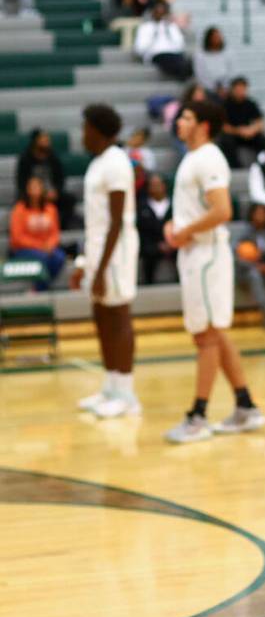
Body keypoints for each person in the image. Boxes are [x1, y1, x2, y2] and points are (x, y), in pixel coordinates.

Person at [163, 100, 265, 443]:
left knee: (206, 336)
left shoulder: (209, 157)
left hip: (206, 256)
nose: (179, 121)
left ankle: (197, 416)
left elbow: (222, 210)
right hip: (196, 253)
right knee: (215, 334)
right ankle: (246, 406)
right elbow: (196, 209)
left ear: (204, 125)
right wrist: (175, 226)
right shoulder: (194, 158)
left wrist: (185, 231)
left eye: (187, 117)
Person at [70, 105, 141, 420]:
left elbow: (116, 222)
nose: (83, 134)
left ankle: (127, 394)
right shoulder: (98, 163)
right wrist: (85, 262)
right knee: (100, 316)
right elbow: (95, 224)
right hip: (99, 250)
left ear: (98, 130)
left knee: (118, 317)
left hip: (117, 252)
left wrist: (100, 270)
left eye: (85, 128)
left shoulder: (116, 163)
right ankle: (110, 386)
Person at [9, 176, 64, 291]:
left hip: (47, 248)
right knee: (42, 258)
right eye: (32, 187)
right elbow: (17, 238)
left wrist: (50, 244)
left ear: (42, 189)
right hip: (23, 249)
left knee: (59, 257)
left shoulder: (51, 209)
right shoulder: (19, 209)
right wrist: (40, 246)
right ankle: (41, 289)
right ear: (27, 190)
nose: (35, 190)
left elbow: (55, 234)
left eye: (37, 186)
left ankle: (38, 288)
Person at [16, 128, 77, 230]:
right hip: (32, 193)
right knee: (20, 203)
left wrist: (56, 191)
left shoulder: (53, 157)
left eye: (47, 139)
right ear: (35, 141)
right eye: (43, 139)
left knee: (70, 200)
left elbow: (60, 179)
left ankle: (60, 227)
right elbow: (21, 181)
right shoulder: (25, 158)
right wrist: (33, 193)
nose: (47, 141)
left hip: (50, 193)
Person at [133, 2, 193, 81]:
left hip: (174, 53)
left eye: (162, 12)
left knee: (183, 59)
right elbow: (139, 49)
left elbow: (180, 45)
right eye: (157, 12)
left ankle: (183, 71)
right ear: (152, 12)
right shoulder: (145, 27)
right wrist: (153, 37)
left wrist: (169, 33)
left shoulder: (171, 27)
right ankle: (182, 73)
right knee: (170, 60)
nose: (160, 15)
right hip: (157, 54)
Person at [136, 173, 176, 284]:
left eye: (158, 184)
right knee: (147, 252)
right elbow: (141, 231)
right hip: (152, 244)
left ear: (164, 186)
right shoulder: (141, 206)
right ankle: (147, 284)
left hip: (174, 242)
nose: (156, 187)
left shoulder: (175, 204)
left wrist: (170, 243)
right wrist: (158, 245)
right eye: (152, 185)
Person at [223, 76, 265, 168]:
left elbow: (260, 122)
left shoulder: (250, 104)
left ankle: (264, 162)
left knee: (263, 139)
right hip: (234, 135)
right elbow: (223, 126)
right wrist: (238, 131)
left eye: (243, 88)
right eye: (238, 89)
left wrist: (252, 130)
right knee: (226, 141)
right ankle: (235, 166)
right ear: (232, 90)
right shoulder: (225, 105)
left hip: (249, 134)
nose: (241, 91)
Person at [194, 26, 235, 97]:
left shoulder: (228, 53)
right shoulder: (200, 55)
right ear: (209, 39)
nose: (218, 39)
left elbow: (231, 72)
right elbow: (200, 75)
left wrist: (224, 87)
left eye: (219, 37)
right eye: (215, 37)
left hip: (226, 90)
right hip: (208, 90)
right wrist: (214, 89)